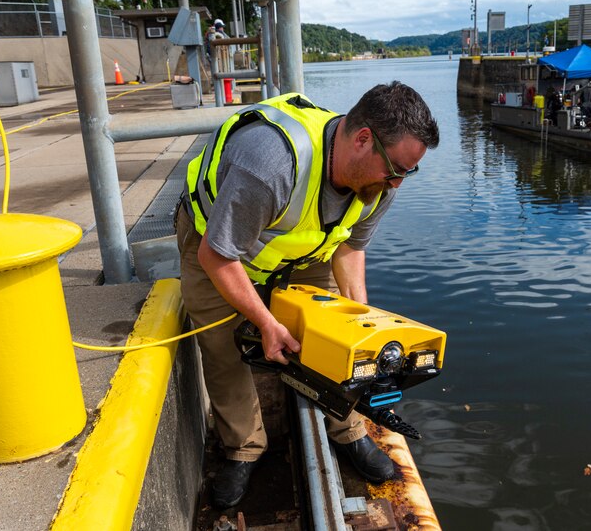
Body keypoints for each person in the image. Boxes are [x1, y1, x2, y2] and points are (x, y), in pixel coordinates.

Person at [175, 82, 439, 509]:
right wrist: (265, 323)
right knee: (224, 345)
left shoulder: (380, 184)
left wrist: (363, 325)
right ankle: (243, 447)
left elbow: (351, 249)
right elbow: (218, 256)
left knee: (337, 334)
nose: (397, 184)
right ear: (363, 139)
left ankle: (348, 429)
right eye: (395, 170)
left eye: (409, 172)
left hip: (306, 246)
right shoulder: (271, 164)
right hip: (217, 242)